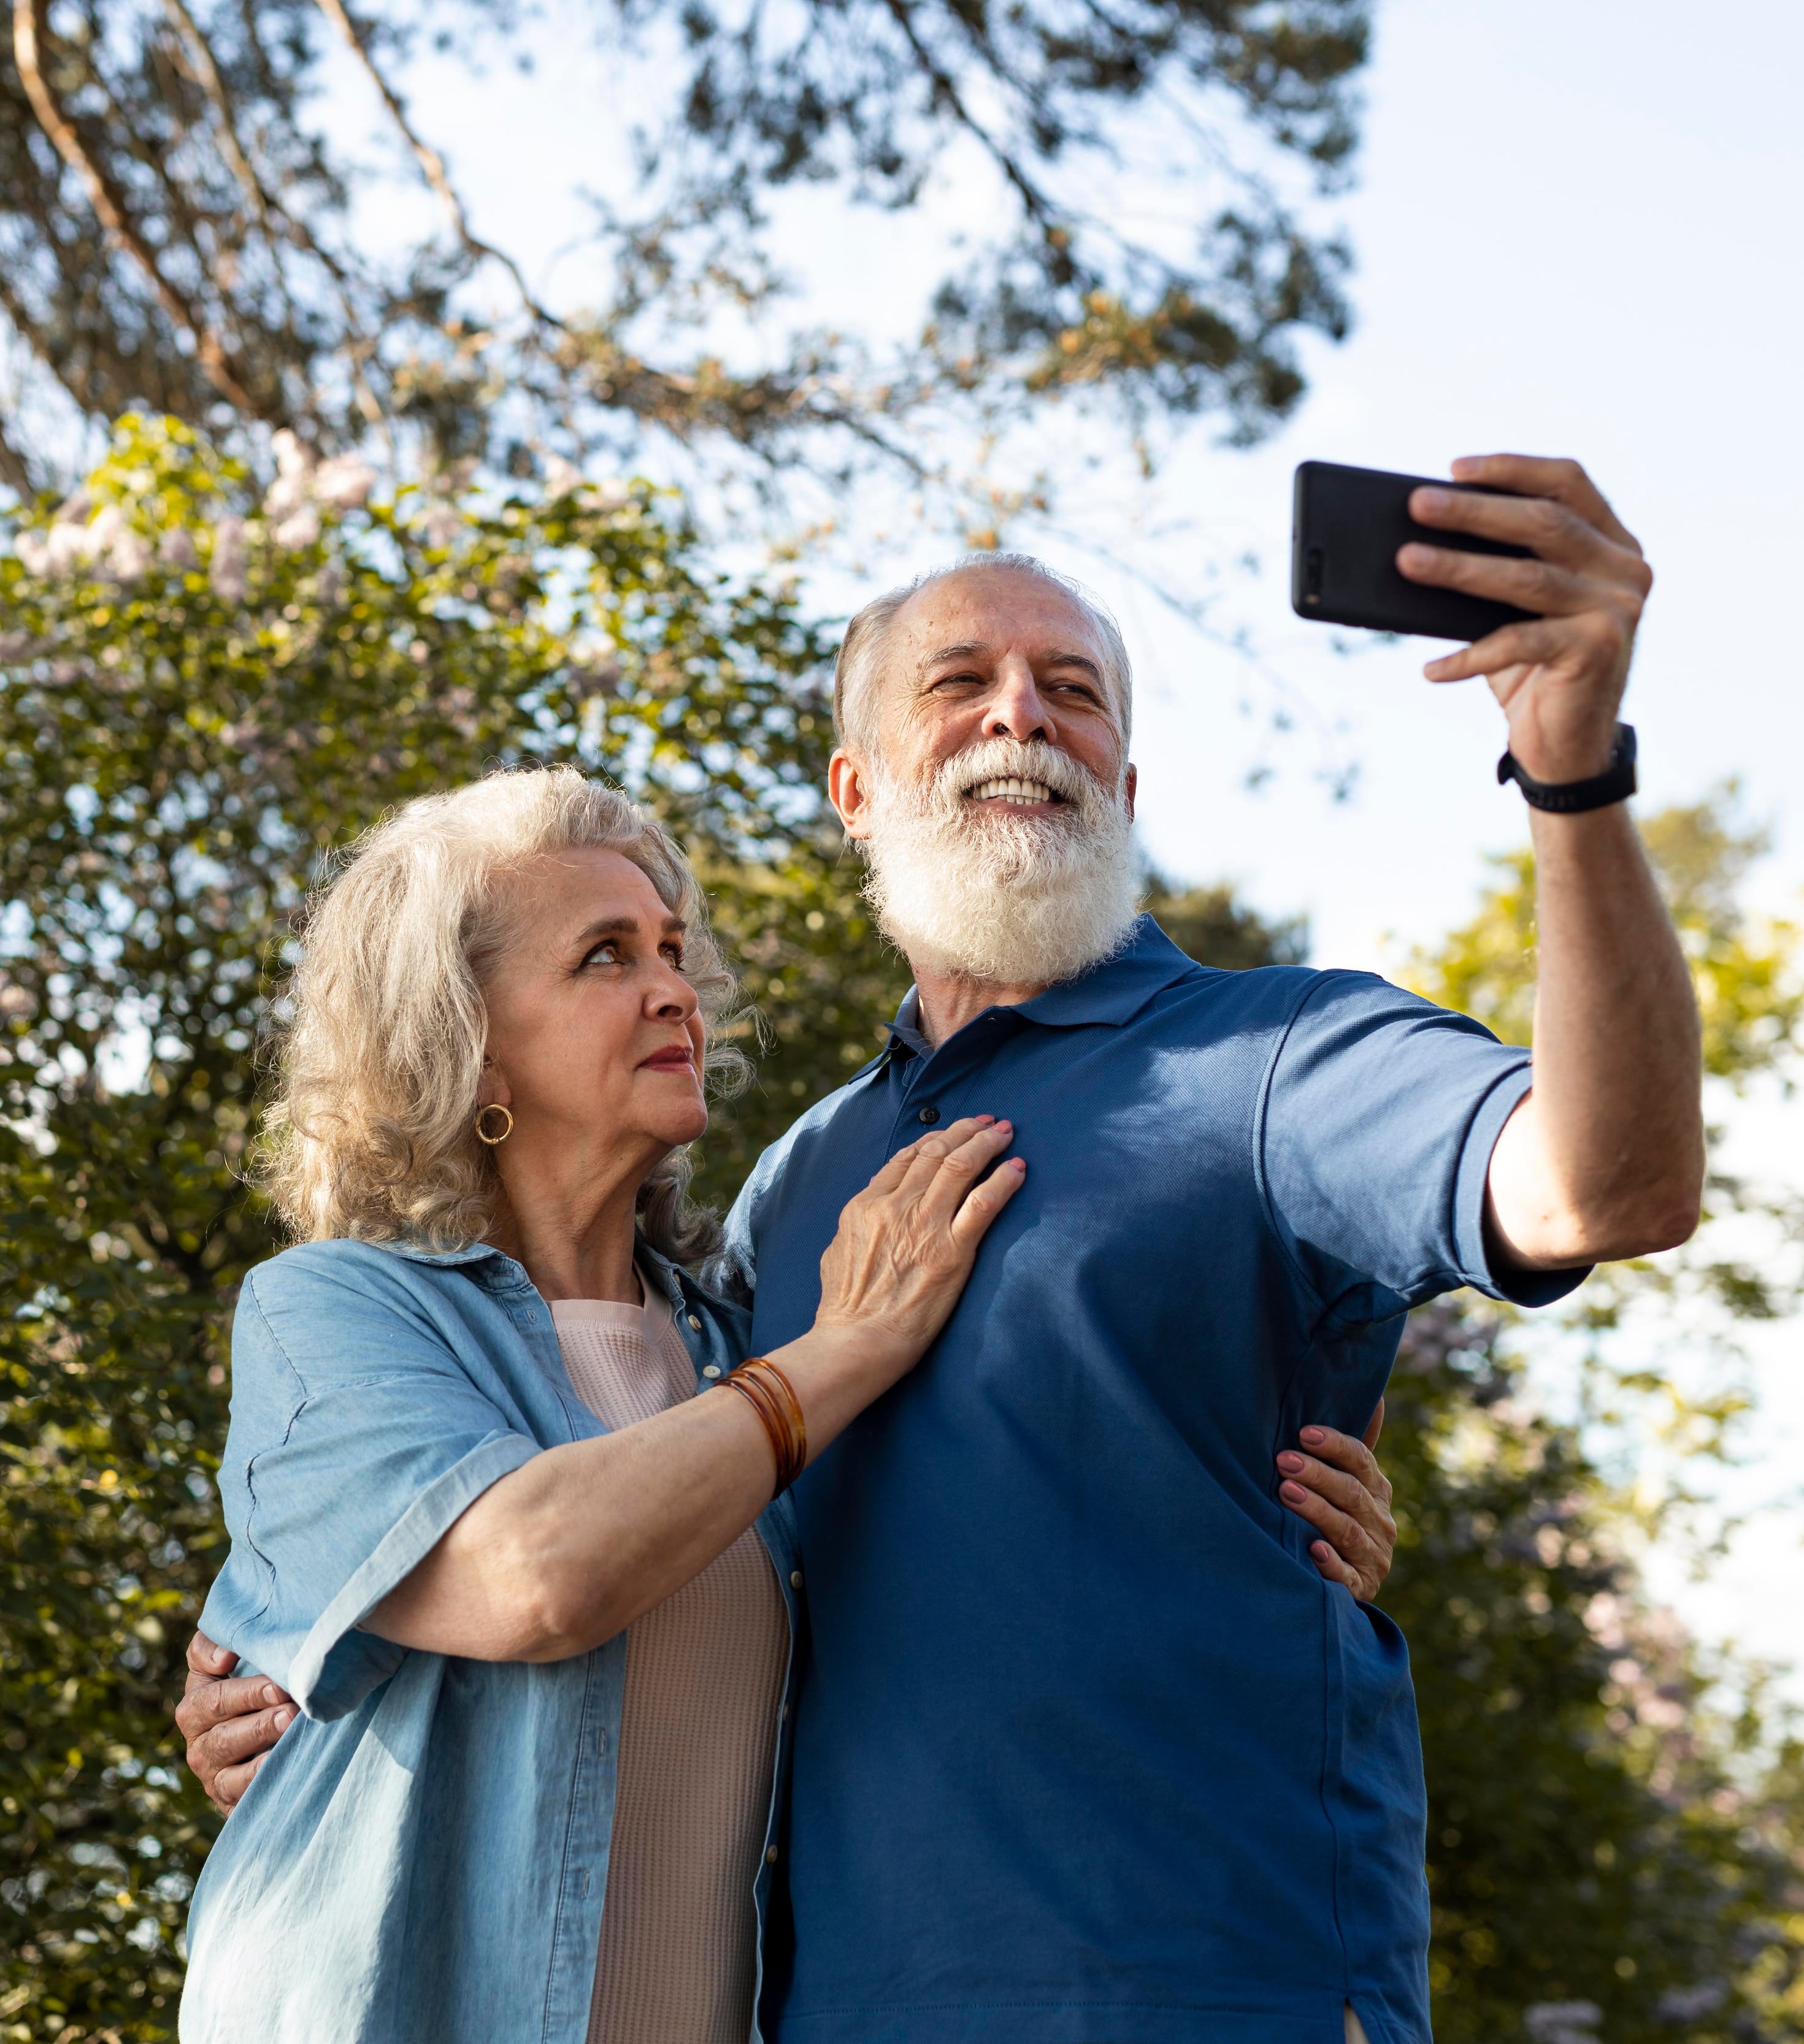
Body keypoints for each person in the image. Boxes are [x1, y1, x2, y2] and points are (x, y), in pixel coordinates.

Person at [183, 453, 1697, 2044]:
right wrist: (281, 1659)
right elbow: (545, 1534)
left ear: (1125, 780)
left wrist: (1575, 771)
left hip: (1205, 1991)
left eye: (1074, 690)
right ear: (858, 788)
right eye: (960, 681)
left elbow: (1610, 1185)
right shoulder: (792, 1199)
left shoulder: (1282, 1057)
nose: (1022, 715)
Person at [174, 768, 1402, 2044]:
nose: (672, 988)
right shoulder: (332, 1310)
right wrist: (846, 1344)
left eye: (667, 948)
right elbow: (534, 1573)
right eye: (603, 956)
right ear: (464, 1038)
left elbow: (974, 1518)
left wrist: (1273, 1520)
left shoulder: (728, 1330)